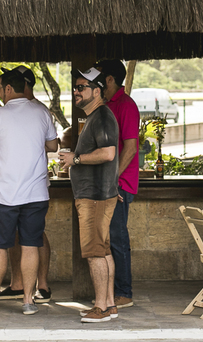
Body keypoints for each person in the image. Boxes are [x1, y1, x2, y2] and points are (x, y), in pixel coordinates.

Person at [0, 68, 58, 316]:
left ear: (8, 89)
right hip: (37, 193)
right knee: (31, 244)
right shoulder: (41, 112)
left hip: (5, 195)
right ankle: (29, 301)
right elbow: (53, 145)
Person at [57, 67, 119, 323]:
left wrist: (76, 158)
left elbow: (108, 153)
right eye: (75, 87)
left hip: (95, 196)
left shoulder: (102, 116)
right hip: (97, 195)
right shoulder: (96, 117)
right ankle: (109, 304)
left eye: (81, 87)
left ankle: (101, 307)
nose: (76, 91)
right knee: (102, 251)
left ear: (97, 91)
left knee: (95, 252)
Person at [95, 58, 140, 310]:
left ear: (109, 79)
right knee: (105, 239)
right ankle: (109, 291)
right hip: (106, 183)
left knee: (117, 237)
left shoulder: (126, 105)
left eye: (99, 76)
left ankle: (124, 292)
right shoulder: (105, 104)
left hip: (118, 184)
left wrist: (113, 181)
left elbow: (132, 148)